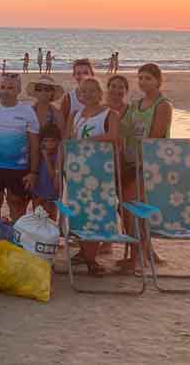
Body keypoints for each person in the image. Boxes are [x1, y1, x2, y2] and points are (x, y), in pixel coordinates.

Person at [119, 63, 172, 270]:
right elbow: (124, 130)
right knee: (127, 207)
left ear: (158, 81)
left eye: (148, 78)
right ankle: (145, 250)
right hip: (131, 160)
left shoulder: (162, 105)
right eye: (140, 78)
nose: (143, 82)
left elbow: (156, 137)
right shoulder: (137, 104)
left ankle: (136, 258)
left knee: (133, 208)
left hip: (150, 163)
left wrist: (139, 163)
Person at [70, 77, 120, 276]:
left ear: (100, 93)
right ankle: (87, 256)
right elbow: (69, 140)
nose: (87, 94)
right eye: (83, 91)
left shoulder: (110, 114)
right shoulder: (75, 114)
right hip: (77, 171)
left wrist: (88, 141)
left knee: (98, 213)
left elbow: (114, 137)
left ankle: (92, 258)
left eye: (92, 91)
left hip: (101, 172)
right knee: (80, 213)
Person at [0, 74, 40, 222]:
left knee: (16, 203)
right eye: (3, 87)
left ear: (18, 90)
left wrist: (34, 172)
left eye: (11, 88)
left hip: (18, 167)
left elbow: (35, 145)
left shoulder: (27, 111)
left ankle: (16, 241)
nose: (6, 91)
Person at [32, 123, 61, 219]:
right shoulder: (38, 153)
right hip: (38, 190)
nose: (49, 144)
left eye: (52, 141)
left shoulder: (58, 156)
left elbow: (53, 175)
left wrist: (46, 157)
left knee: (50, 215)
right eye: (46, 141)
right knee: (37, 215)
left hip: (52, 192)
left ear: (58, 141)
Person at [61, 58, 96, 126]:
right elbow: (63, 124)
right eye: (78, 73)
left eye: (86, 73)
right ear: (74, 75)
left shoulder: (100, 97)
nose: (82, 76)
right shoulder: (68, 99)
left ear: (92, 74)